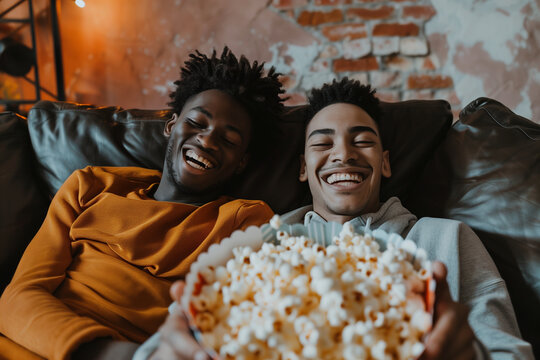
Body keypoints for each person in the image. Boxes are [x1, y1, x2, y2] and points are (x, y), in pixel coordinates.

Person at [140, 78, 534, 360]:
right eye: (322, 143)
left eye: (362, 141)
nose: (342, 155)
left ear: (385, 162)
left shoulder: (446, 240)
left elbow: (508, 350)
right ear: (302, 168)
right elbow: (162, 347)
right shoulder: (258, 245)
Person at [0, 47, 284, 360]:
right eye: (198, 122)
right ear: (171, 126)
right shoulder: (91, 186)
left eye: (229, 140)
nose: (208, 140)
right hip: (31, 343)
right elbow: (17, 297)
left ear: (242, 163)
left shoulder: (244, 220)